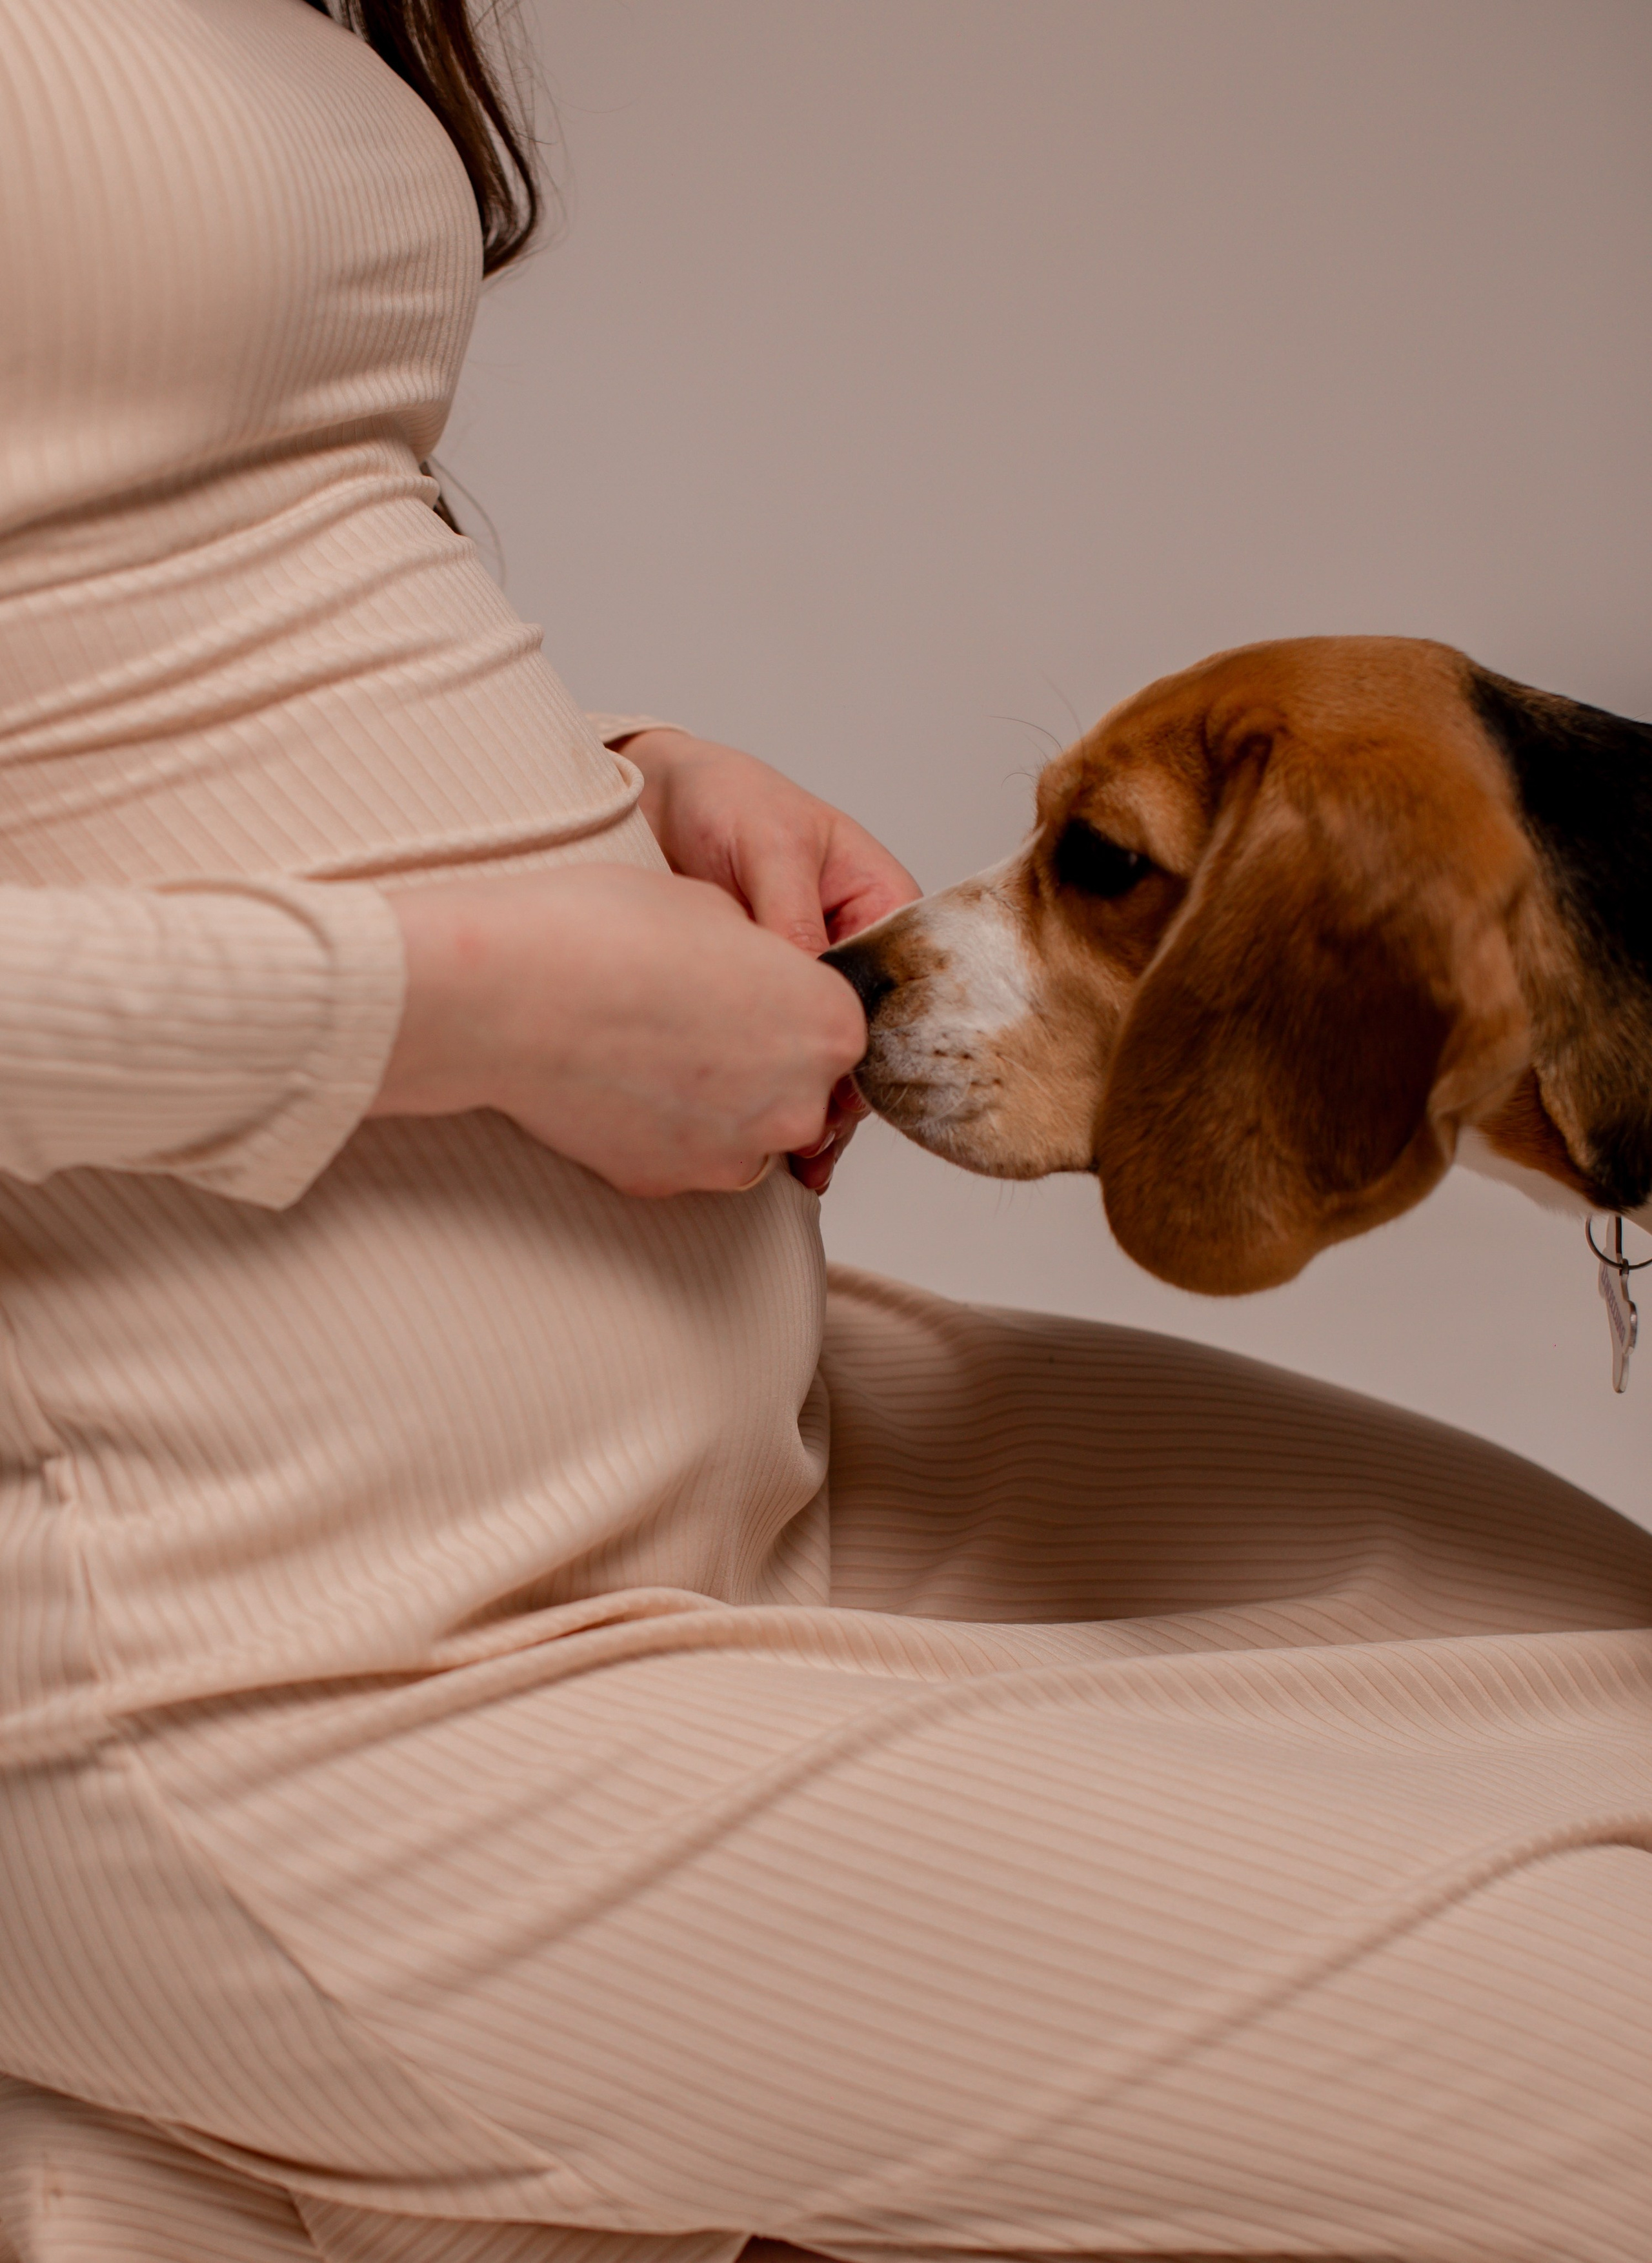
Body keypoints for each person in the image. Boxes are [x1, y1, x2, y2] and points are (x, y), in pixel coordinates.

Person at [1, 5, 1650, 2259]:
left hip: (753, 1437)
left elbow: (144, 569)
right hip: (281, 1636)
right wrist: (474, 1001)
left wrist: (620, 777)